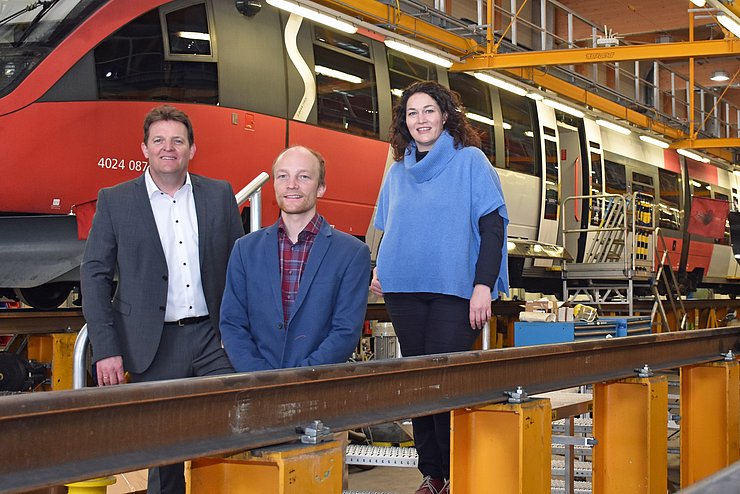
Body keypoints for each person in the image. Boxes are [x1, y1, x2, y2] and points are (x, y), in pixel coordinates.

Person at [80, 104, 244, 494]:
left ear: (192, 149)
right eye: (159, 140)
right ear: (144, 148)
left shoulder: (219, 194)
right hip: (152, 344)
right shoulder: (115, 200)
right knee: (165, 457)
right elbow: (95, 275)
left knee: (235, 432)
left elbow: (241, 269)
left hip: (212, 340)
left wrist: (237, 330)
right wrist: (106, 348)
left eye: (177, 140)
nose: (168, 148)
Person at [370, 81, 509, 494]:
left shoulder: (470, 162)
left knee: (443, 379)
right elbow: (387, 227)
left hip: (456, 290)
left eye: (428, 111)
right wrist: (380, 265)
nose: (421, 120)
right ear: (404, 122)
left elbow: (493, 227)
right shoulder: (397, 171)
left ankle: (455, 472)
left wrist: (483, 285)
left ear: (445, 115)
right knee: (418, 380)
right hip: (403, 290)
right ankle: (432, 474)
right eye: (412, 113)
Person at [219, 145, 371, 372]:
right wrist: (260, 378)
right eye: (283, 176)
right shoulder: (244, 249)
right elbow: (232, 323)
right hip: (256, 387)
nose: (291, 185)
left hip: (319, 387)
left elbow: (345, 331)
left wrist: (301, 379)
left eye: (304, 177)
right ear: (274, 185)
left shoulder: (352, 253)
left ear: (321, 188)